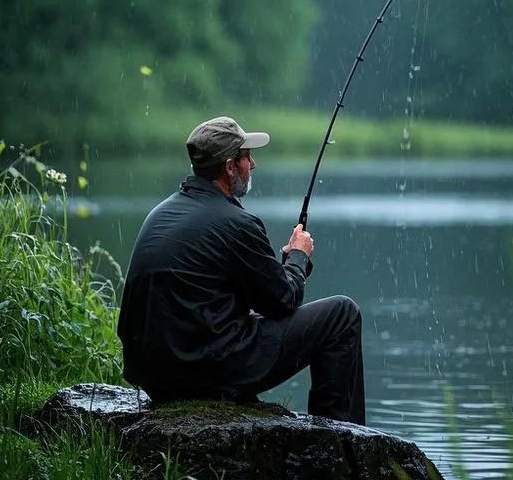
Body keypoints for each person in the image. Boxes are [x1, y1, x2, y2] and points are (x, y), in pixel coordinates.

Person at [117, 115, 366, 424]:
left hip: (154, 377)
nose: (253, 164)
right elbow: (284, 301)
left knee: (254, 317)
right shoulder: (236, 223)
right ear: (230, 167)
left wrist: (283, 265)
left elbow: (242, 293)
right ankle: (341, 435)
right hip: (202, 374)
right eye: (247, 156)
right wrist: (298, 258)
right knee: (343, 315)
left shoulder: (161, 212)